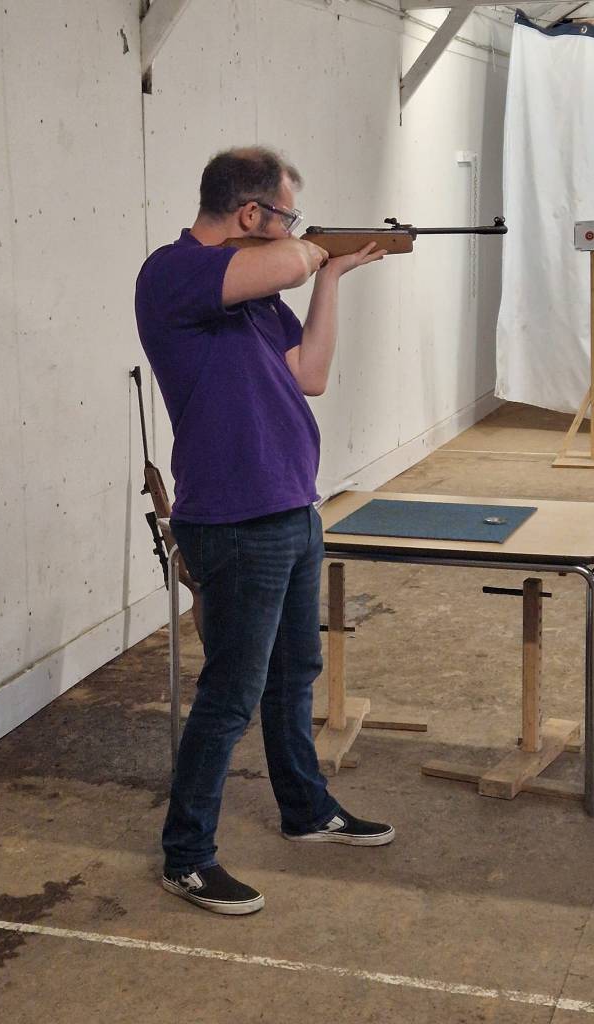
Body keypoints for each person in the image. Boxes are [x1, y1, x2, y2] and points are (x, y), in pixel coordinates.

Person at [134, 146, 394, 917]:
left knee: (292, 677)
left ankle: (306, 808)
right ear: (250, 214)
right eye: (283, 215)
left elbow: (309, 372)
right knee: (230, 694)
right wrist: (315, 250)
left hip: (290, 507)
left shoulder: (255, 295)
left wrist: (334, 277)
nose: (291, 232)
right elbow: (284, 265)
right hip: (235, 520)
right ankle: (186, 854)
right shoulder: (174, 273)